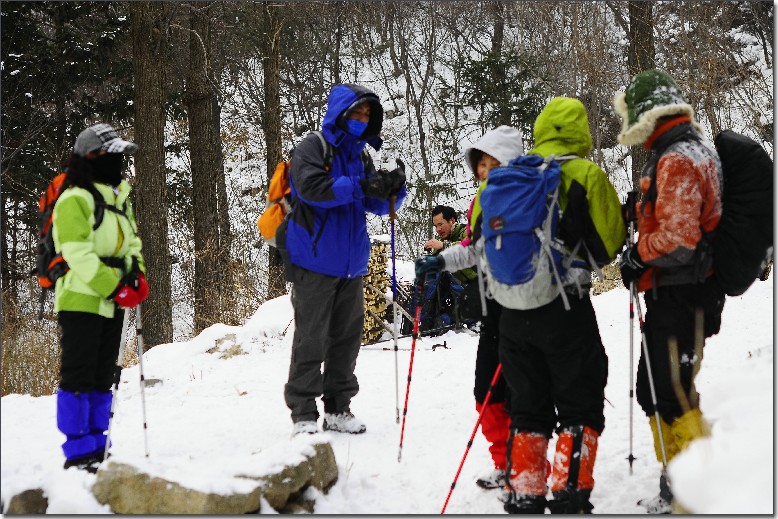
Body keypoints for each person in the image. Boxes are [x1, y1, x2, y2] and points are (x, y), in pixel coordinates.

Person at [419, 102, 625, 513]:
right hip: (564, 308)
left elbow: (478, 248)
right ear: (580, 131)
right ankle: (568, 491)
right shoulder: (579, 174)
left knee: (527, 405)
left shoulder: (498, 187)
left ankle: (526, 491)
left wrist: (441, 260)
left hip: (510, 314)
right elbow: (609, 243)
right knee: (578, 400)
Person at [613, 69, 725, 513]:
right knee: (658, 389)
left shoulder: (678, 157)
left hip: (683, 294)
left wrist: (637, 255)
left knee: (672, 394)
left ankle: (696, 491)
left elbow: (679, 239)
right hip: (683, 293)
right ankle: (679, 481)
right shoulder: (691, 149)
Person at [279, 83, 407, 436]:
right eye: (357, 113)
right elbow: (312, 189)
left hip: (352, 263)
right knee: (311, 339)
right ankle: (303, 414)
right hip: (315, 261)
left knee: (346, 340)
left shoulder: (361, 155)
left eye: (367, 115)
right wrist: (359, 185)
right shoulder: (312, 147)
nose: (362, 120)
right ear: (341, 113)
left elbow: (378, 206)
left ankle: (338, 408)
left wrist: (394, 189)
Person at [416, 125, 524, 490]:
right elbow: (477, 247)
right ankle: (505, 462)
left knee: (523, 391)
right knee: (486, 390)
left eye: (493, 162)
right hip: (493, 303)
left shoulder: (530, 194)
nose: (485, 170)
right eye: (480, 163)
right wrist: (441, 260)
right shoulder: (481, 200)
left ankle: (527, 469)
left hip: (527, 306)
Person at [53, 123, 148, 472]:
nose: (121, 162)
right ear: (93, 158)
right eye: (115, 155)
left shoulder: (119, 199)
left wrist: (137, 277)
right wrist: (114, 286)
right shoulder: (74, 198)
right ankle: (79, 452)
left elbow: (132, 244)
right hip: (81, 300)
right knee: (79, 374)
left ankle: (99, 442)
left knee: (103, 373)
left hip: (112, 300)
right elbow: (77, 253)